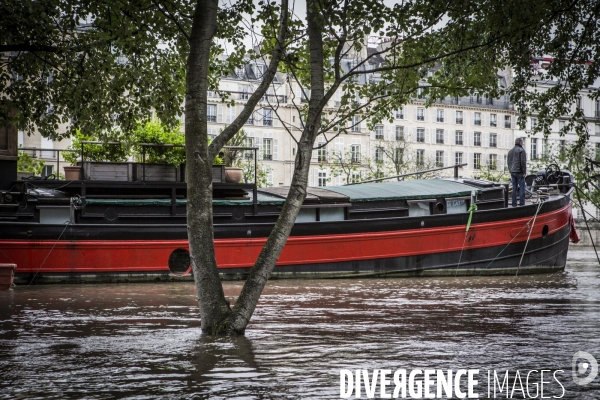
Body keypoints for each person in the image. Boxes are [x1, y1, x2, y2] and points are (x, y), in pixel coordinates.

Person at [507, 137, 527, 206]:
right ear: (520, 142)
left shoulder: (510, 151)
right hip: (519, 172)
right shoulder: (521, 150)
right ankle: (522, 204)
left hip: (512, 172)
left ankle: (514, 204)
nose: (523, 143)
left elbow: (508, 162)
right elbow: (523, 162)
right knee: (522, 188)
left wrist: (510, 170)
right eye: (522, 142)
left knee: (514, 188)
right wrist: (524, 172)